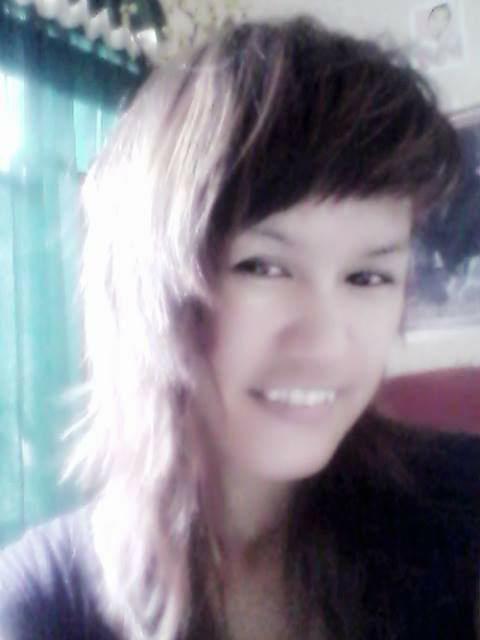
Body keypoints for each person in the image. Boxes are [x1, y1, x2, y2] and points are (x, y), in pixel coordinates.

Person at [1, 15, 479, 640]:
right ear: (148, 284)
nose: (326, 343)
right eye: (263, 266)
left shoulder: (462, 507)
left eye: (368, 277)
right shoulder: (44, 602)